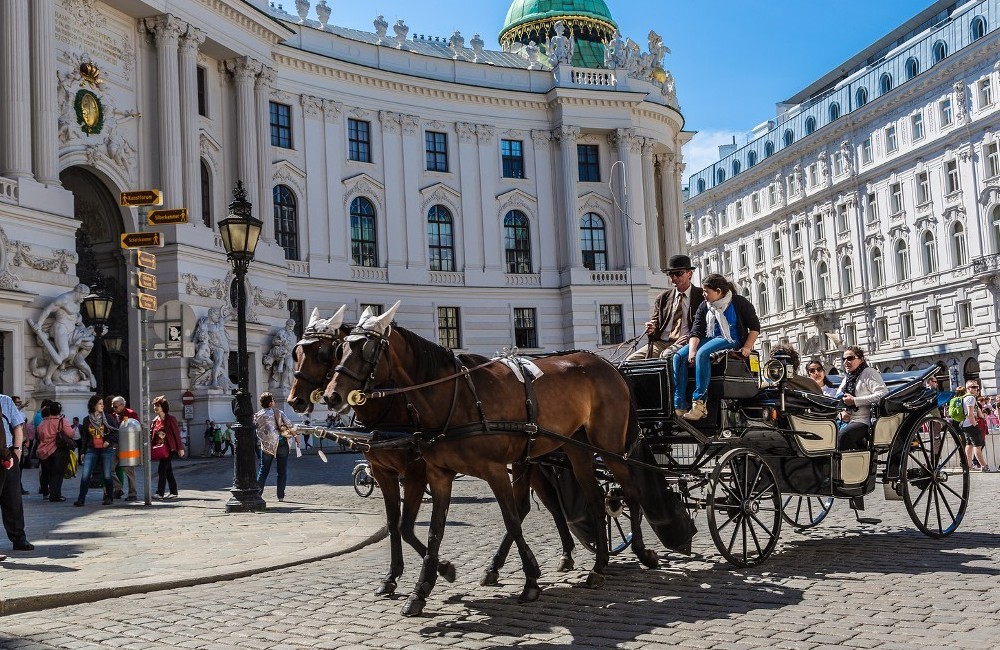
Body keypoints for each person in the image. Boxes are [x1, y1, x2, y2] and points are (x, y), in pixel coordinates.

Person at [673, 273, 760, 421]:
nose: (703, 294)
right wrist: (692, 350)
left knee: (703, 353)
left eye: (706, 291)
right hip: (710, 338)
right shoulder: (704, 306)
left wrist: (747, 347)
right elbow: (696, 331)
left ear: (718, 291)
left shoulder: (738, 302)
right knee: (678, 357)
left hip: (731, 339)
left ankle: (699, 404)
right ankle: (679, 404)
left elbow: (754, 327)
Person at [627, 254, 705, 361]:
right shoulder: (663, 298)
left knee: (666, 356)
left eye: (678, 273)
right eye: (671, 274)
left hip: (686, 342)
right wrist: (652, 328)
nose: (674, 278)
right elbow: (655, 325)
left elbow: (705, 325)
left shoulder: (701, 296)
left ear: (689, 274)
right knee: (630, 360)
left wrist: (691, 337)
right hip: (661, 343)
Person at [835, 346, 888, 451]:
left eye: (850, 358)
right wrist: (840, 412)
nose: (846, 362)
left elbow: (882, 394)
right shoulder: (847, 378)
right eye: (844, 359)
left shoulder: (869, 372)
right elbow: (837, 399)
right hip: (847, 421)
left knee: (843, 436)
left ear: (861, 359)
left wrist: (855, 401)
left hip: (865, 420)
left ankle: (858, 460)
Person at [0, 392, 34, 552]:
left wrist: (17, 451)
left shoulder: (5, 401)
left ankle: (19, 538)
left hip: (7, 455)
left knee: (13, 499)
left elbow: (17, 426)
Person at [74, 394, 118, 507]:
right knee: (85, 474)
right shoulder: (87, 420)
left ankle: (109, 497)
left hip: (106, 449)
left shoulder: (108, 418)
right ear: (93, 406)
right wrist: (82, 452)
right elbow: (85, 437)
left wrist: (108, 441)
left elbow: (116, 432)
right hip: (91, 449)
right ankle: (81, 499)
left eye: (102, 404)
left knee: (107, 474)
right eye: (99, 404)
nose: (102, 406)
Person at [254, 392, 295, 502]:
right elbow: (289, 425)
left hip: (267, 445)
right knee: (282, 471)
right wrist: (294, 435)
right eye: (273, 400)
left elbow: (256, 429)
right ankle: (280, 496)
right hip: (281, 443)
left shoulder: (258, 415)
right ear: (270, 403)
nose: (274, 402)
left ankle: (258, 494)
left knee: (263, 470)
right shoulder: (278, 412)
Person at [34, 400, 74, 502]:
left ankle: (45, 492)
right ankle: (55, 495)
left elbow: (38, 437)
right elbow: (71, 433)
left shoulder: (42, 423)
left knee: (45, 473)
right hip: (58, 450)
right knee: (57, 473)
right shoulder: (61, 421)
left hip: (43, 452)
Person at [150, 396, 185, 499]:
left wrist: (180, 448)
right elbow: (152, 435)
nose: (155, 407)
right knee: (168, 471)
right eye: (154, 406)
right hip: (160, 449)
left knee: (162, 469)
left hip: (169, 448)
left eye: (158, 405)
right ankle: (173, 492)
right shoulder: (155, 420)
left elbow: (176, 434)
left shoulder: (170, 419)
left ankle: (160, 493)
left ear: (163, 407)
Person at [109, 396, 139, 501]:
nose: (113, 408)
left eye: (115, 406)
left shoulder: (131, 414)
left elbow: (137, 428)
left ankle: (132, 494)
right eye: (112, 406)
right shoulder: (113, 416)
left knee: (129, 470)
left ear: (122, 405)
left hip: (127, 446)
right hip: (115, 446)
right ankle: (118, 488)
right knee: (108, 468)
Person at [961, 380, 992, 472]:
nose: (976, 389)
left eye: (977, 387)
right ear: (968, 388)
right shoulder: (971, 398)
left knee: (969, 445)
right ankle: (984, 466)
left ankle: (968, 465)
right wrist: (975, 424)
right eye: (973, 387)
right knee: (977, 446)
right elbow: (970, 414)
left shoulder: (964, 397)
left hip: (965, 424)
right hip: (971, 425)